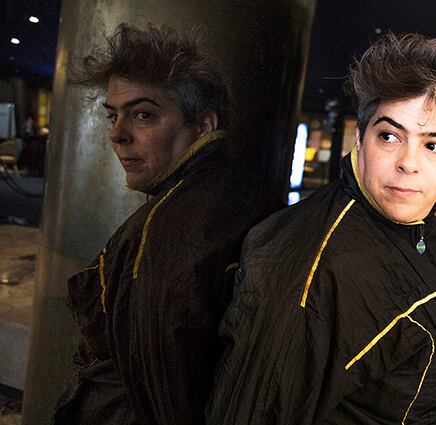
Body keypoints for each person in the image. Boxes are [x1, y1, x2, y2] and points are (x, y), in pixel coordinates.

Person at [208, 33, 436, 424]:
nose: (408, 163)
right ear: (359, 139)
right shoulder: (315, 271)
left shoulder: (422, 226)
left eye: (432, 146)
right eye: (389, 136)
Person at [52, 24, 281, 425]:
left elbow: (164, 401)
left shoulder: (165, 236)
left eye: (143, 115)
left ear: (203, 126)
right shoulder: (246, 193)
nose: (117, 135)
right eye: (113, 115)